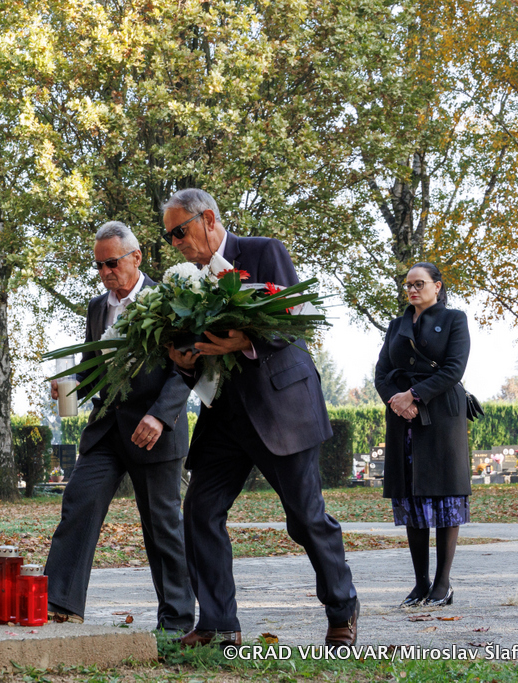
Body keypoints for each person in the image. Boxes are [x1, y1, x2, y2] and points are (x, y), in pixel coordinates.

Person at [163, 188, 359, 648]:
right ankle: (218, 624)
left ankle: (342, 607)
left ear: (208, 218)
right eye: (170, 237)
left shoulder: (263, 251)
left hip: (280, 408)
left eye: (180, 232)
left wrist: (245, 343)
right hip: (224, 417)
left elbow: (292, 321)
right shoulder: (185, 281)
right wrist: (183, 360)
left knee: (305, 518)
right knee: (201, 511)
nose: (175, 244)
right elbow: (194, 346)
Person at [45, 221, 195, 634]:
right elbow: (98, 369)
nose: (106, 272)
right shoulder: (97, 307)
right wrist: (72, 384)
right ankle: (59, 602)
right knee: (79, 502)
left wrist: (160, 415)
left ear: (136, 257)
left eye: (112, 262)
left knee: (162, 526)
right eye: (99, 265)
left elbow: (187, 368)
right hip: (106, 429)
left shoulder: (170, 301)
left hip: (154, 430)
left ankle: (177, 622)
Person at [374, 262, 470, 608]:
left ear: (437, 286)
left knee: (444, 496)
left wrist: (414, 395)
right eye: (408, 285)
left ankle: (442, 584)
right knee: (411, 495)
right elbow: (382, 371)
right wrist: (397, 401)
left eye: (419, 284)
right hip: (403, 417)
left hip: (441, 415)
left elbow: (454, 369)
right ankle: (420, 584)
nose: (412, 290)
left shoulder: (456, 319)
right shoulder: (397, 325)